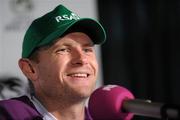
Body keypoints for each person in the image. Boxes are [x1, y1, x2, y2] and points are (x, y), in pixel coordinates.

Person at [0, 4, 106, 120]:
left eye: (87, 50)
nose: (82, 59)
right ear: (30, 69)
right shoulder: (8, 114)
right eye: (63, 50)